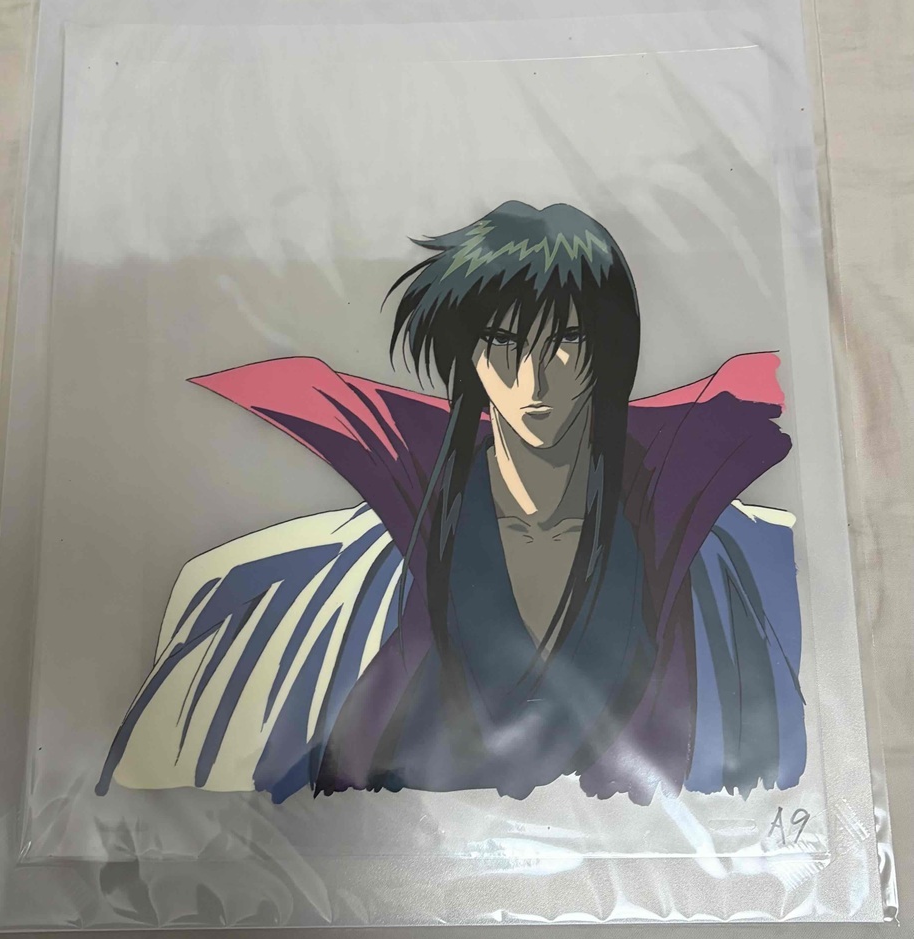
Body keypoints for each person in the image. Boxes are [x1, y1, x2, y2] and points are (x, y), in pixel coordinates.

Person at [97, 201, 805, 806]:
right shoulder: (416, 518)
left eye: (565, 340)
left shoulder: (669, 519)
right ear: (470, 354)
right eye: (504, 341)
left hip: (633, 855)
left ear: (605, 349)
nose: (533, 378)